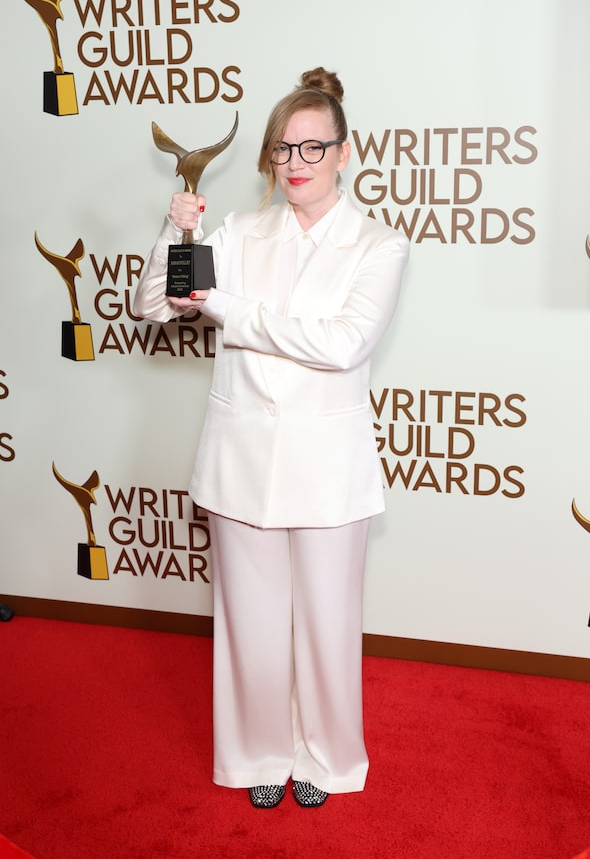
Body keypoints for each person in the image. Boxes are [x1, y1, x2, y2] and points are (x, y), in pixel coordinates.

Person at [133, 67, 409, 809]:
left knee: (326, 623)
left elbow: (341, 344)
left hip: (328, 468)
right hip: (240, 458)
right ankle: (257, 751)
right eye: (282, 149)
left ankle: (326, 759)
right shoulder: (240, 231)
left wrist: (224, 304)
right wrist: (176, 227)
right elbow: (155, 306)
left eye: (313, 148)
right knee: (250, 625)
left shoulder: (378, 245)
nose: (295, 164)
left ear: (346, 154)